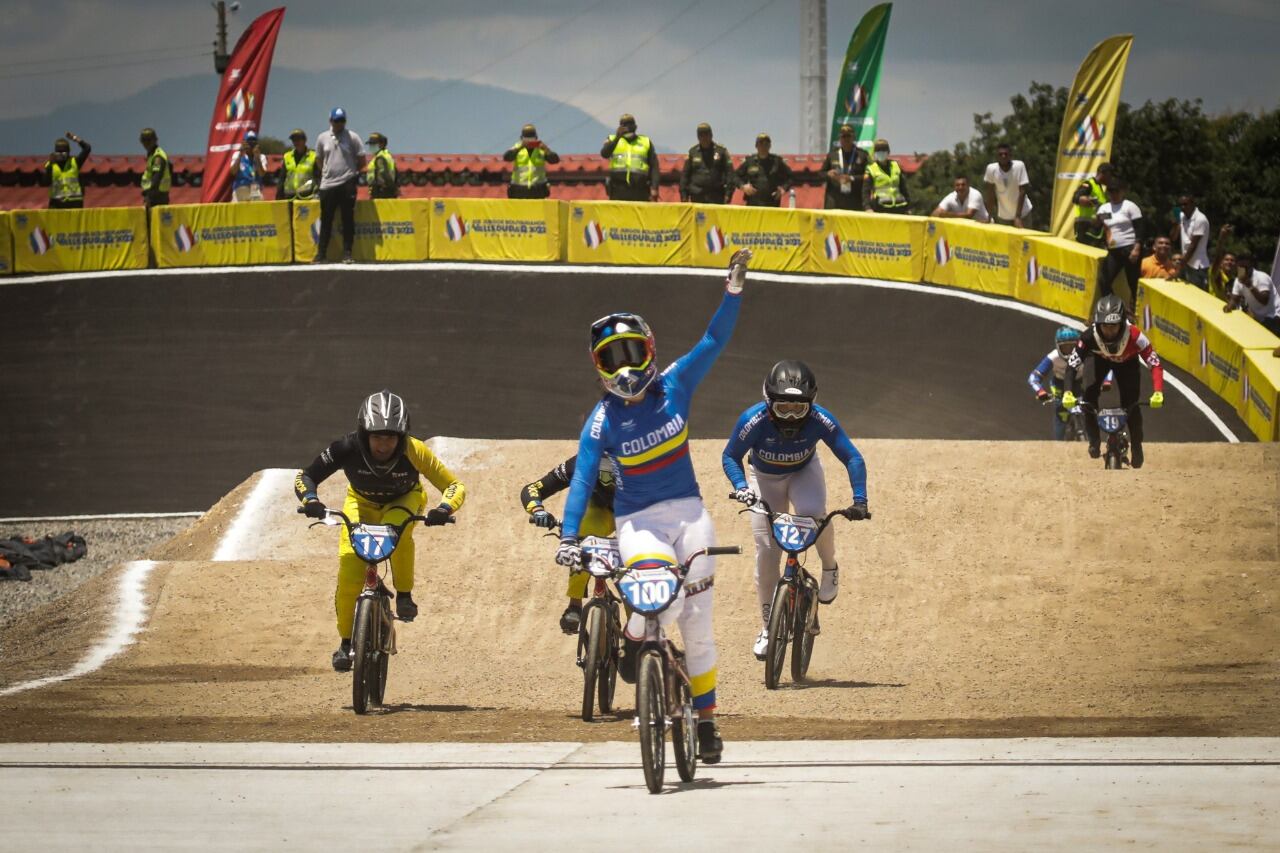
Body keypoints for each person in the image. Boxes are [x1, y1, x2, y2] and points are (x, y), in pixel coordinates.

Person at [554, 248, 754, 766]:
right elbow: (580, 477)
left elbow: (713, 340)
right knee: (655, 604)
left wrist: (732, 291)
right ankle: (635, 635)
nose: (623, 370)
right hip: (636, 522)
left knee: (697, 624)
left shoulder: (676, 384)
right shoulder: (600, 421)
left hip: (690, 514)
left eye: (631, 354)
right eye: (610, 360)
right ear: (598, 368)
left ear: (650, 352)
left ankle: (706, 722)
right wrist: (568, 539)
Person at [294, 390, 466, 671]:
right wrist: (310, 500)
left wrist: (444, 508)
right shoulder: (346, 447)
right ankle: (346, 643)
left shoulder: (415, 450)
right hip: (359, 501)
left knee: (396, 529)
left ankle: (405, 594)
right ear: (363, 435)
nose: (384, 445)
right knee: (350, 570)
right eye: (377, 437)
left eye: (390, 437)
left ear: (402, 437)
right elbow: (306, 475)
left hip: (404, 499)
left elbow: (454, 486)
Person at [721, 360, 868, 660]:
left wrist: (860, 500)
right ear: (768, 402)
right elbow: (730, 456)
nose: (789, 416)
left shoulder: (821, 419)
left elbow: (852, 457)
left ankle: (829, 566)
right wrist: (741, 487)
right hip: (762, 479)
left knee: (815, 512)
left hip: (804, 473)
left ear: (811, 406)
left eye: (798, 409)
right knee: (766, 553)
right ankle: (766, 627)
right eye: (782, 408)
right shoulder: (752, 420)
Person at [1062, 295, 1165, 469]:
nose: (1109, 331)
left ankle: (1137, 446)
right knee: (1088, 397)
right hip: (1098, 360)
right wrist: (1067, 392)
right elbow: (1071, 366)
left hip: (1128, 364)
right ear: (1097, 324)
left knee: (1132, 403)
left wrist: (1158, 391)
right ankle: (1094, 440)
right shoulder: (1088, 337)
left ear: (1123, 323)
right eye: (1105, 326)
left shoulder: (1136, 336)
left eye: (1114, 326)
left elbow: (1155, 364)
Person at [520, 454, 616, 634]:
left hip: (636, 512)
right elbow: (534, 488)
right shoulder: (583, 461)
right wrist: (537, 510)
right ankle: (575, 603)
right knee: (581, 534)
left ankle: (639, 630)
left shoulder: (643, 458)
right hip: (600, 511)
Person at [1028, 326, 1113, 440]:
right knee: (1061, 415)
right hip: (1059, 386)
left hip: (1079, 384)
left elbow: (1107, 366)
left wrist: (1106, 381)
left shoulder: (1086, 353)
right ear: (1058, 346)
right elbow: (1033, 377)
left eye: (1071, 347)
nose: (1068, 351)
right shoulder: (1053, 357)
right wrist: (1041, 391)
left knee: (1090, 410)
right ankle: (1058, 442)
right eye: (1065, 347)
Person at [316, 107, 365, 264]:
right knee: (326, 219)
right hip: (328, 184)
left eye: (342, 120)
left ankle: (347, 253)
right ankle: (321, 253)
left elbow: (362, 160)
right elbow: (319, 160)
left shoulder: (353, 137)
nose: (339, 124)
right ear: (330, 121)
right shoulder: (322, 138)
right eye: (336, 121)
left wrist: (352, 176)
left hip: (347, 183)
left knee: (347, 219)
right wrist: (326, 173)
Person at [1095, 181, 1144, 307]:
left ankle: (1136, 311)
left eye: (1116, 191)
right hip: (1113, 249)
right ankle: (1115, 307)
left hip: (1130, 247)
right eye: (1111, 191)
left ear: (1122, 192)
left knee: (1133, 283)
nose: (1114, 194)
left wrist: (1137, 248)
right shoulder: (1104, 208)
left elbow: (1140, 228)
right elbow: (1100, 226)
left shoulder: (1129, 206)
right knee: (1103, 280)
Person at [601, 114, 658, 202]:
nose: (628, 127)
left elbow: (654, 166)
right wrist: (617, 138)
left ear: (635, 127)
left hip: (640, 190)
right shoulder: (612, 139)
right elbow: (604, 154)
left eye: (630, 124)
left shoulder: (645, 142)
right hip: (618, 190)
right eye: (624, 125)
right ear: (620, 127)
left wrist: (655, 187)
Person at [1223, 253, 1280, 335]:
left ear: (1251, 266)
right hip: (1262, 319)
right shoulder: (1238, 281)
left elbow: (1264, 300)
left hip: (1275, 316)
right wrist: (1228, 307)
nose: (1243, 270)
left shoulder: (1262, 277)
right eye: (1240, 267)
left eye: (1245, 267)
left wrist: (1250, 286)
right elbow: (1234, 299)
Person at [679, 123, 734, 205]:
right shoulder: (693, 152)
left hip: (716, 195)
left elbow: (730, 173)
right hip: (697, 195)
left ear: (711, 135)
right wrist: (684, 195)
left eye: (706, 134)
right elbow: (685, 175)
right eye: (701, 135)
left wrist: (728, 194)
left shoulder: (721, 151)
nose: (704, 137)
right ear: (698, 137)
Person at [983, 142, 1032, 229]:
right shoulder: (991, 169)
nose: (1003, 156)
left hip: (1023, 214)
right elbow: (990, 194)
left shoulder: (1019, 166)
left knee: (1024, 241)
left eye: (1006, 154)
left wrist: (1017, 216)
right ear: (997, 156)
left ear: (1010, 155)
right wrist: (988, 216)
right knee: (1005, 242)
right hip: (1004, 216)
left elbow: (1022, 191)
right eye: (1000, 154)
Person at [737, 133, 793, 208]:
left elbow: (791, 177)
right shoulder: (749, 161)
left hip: (772, 203)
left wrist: (783, 189)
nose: (763, 146)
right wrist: (743, 186)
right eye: (761, 144)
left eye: (766, 144)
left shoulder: (776, 161)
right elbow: (735, 176)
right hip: (753, 204)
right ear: (756, 146)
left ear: (770, 146)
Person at [505, 124, 560, 200]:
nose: (529, 142)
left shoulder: (541, 149)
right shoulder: (517, 148)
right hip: (518, 189)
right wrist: (520, 147)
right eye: (527, 139)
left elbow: (555, 160)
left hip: (538, 189)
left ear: (536, 138)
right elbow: (507, 157)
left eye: (531, 139)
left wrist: (546, 149)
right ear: (521, 139)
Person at [820, 124, 868, 211]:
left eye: (848, 136)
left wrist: (852, 178)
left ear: (853, 137)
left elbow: (868, 176)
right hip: (834, 202)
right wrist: (828, 174)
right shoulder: (832, 155)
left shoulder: (862, 155)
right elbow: (820, 174)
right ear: (840, 138)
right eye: (843, 136)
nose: (846, 139)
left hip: (855, 201)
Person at [1171, 195, 1210, 289]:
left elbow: (1193, 245)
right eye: (1180, 205)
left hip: (1197, 266)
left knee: (1197, 296)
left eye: (1185, 204)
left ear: (1192, 204)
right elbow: (1173, 238)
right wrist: (1175, 224)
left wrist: (1180, 268)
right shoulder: (1181, 216)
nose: (1183, 207)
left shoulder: (1200, 219)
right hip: (1186, 263)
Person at [862, 138, 910, 213]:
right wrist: (867, 207)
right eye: (878, 150)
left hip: (899, 207)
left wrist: (908, 207)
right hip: (880, 208)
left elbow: (904, 188)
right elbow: (865, 191)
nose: (881, 152)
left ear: (888, 152)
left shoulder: (896, 166)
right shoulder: (871, 169)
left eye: (883, 150)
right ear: (874, 153)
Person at [44, 132, 91, 209]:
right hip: (57, 203)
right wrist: (50, 166)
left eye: (63, 151)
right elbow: (45, 182)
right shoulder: (50, 165)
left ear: (69, 152)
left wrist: (74, 138)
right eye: (58, 152)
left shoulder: (75, 162)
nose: (61, 154)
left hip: (75, 203)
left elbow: (87, 148)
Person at [1073, 163, 1114, 248]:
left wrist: (1111, 216)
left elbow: (1100, 213)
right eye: (1110, 175)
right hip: (1084, 229)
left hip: (1095, 231)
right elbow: (1076, 198)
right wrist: (1092, 202)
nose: (1110, 179)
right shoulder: (1089, 184)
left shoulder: (1100, 190)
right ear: (1103, 173)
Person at [277, 129, 319, 201]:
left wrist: (318, 193)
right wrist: (279, 196)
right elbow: (282, 178)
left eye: (299, 139)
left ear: (304, 140)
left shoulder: (313, 156)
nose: (296, 142)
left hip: (307, 196)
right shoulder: (287, 156)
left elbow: (318, 177)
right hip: (289, 197)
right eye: (294, 140)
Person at [139, 127, 171, 211]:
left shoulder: (158, 157)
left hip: (157, 196)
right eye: (144, 140)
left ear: (155, 140)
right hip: (157, 194)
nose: (146, 143)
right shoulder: (152, 155)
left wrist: (149, 196)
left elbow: (156, 177)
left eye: (149, 140)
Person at [229, 130, 266, 202]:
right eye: (249, 142)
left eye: (253, 141)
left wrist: (257, 157)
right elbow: (233, 172)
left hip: (255, 189)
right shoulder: (237, 155)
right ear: (244, 142)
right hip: (240, 188)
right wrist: (240, 154)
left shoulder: (262, 157)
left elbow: (262, 174)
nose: (251, 144)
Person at [1208, 224, 1237, 302]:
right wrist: (1221, 239)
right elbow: (1218, 257)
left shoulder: (1236, 281)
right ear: (1221, 263)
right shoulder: (1217, 274)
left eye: (1232, 260)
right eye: (1226, 260)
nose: (1229, 262)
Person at [365, 132, 398, 199]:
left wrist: (393, 189)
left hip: (381, 192)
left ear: (382, 144)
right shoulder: (387, 155)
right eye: (370, 144)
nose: (371, 146)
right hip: (386, 191)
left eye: (373, 144)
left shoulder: (380, 157)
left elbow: (384, 173)